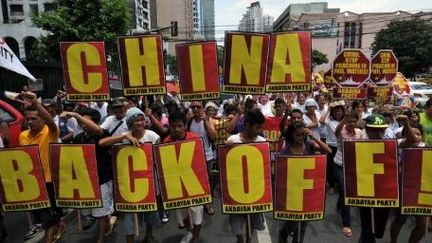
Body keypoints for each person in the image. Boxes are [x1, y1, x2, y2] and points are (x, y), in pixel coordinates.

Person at [99, 107, 161, 243]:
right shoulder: (124, 136)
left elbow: (160, 158)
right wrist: (123, 136)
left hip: (148, 183)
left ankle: (149, 234)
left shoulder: (152, 136)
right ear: (130, 123)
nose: (139, 123)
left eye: (141, 119)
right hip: (129, 186)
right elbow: (101, 143)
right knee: (129, 218)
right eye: (136, 120)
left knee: (150, 213)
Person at [62, 108, 115, 243]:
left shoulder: (103, 135)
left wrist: (75, 115)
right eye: (80, 121)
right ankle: (109, 221)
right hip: (85, 181)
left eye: (85, 121)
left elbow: (97, 130)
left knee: (101, 213)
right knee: (92, 213)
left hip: (102, 180)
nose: (82, 124)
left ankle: (101, 238)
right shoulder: (79, 138)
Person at [18, 91, 64, 243]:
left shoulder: (51, 132)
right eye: (28, 118)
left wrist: (36, 102)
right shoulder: (23, 136)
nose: (30, 121)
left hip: (50, 182)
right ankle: (61, 224)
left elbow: (51, 122)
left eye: (34, 118)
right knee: (45, 217)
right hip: (33, 184)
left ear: (42, 120)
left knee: (48, 220)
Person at [278, 121, 331, 243]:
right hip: (292, 190)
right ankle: (283, 233)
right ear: (291, 135)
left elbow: (328, 151)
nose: (301, 138)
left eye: (303, 135)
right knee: (293, 221)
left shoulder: (309, 144)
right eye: (298, 135)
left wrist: (313, 136)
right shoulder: (286, 150)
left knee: (303, 223)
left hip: (308, 189)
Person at [225, 109, 267, 243]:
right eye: (257, 127)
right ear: (247, 125)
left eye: (261, 127)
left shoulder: (262, 141)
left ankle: (248, 240)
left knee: (253, 220)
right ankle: (240, 239)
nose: (260, 130)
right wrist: (226, 150)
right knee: (236, 222)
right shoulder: (232, 140)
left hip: (255, 190)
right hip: (236, 190)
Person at [164, 111, 202, 243]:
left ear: (185, 126)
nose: (176, 129)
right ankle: (189, 232)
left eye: (180, 126)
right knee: (183, 213)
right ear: (169, 126)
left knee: (197, 212)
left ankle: (196, 237)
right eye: (173, 126)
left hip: (194, 183)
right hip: (177, 184)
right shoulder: (166, 142)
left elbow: (200, 163)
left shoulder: (195, 138)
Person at [390, 115, 427, 243]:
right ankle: (393, 241)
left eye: (418, 134)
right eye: (413, 133)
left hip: (422, 189)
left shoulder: (427, 147)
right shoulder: (401, 145)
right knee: (400, 219)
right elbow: (410, 141)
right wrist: (407, 123)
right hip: (404, 187)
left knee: (422, 226)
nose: (416, 136)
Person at [358, 114, 391, 243]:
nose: (378, 133)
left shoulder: (390, 143)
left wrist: (406, 125)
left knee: (377, 230)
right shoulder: (358, 144)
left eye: (381, 130)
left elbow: (409, 142)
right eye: (374, 129)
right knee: (368, 229)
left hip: (384, 191)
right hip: (365, 190)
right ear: (367, 129)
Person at [334, 112, 367, 237]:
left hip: (353, 166)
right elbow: (337, 131)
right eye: (349, 121)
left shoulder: (360, 133)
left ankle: (339, 203)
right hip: (339, 164)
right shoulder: (341, 131)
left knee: (344, 192)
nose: (352, 124)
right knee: (345, 191)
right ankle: (346, 223)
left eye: (354, 121)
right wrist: (344, 119)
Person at [188, 101, 217, 215]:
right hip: (192, 156)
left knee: (208, 181)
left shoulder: (209, 120)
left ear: (202, 108)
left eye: (198, 107)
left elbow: (213, 136)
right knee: (195, 180)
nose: (195, 109)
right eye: (193, 107)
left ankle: (208, 203)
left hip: (207, 155)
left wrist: (205, 120)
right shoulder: (189, 120)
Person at [319, 100, 346, 194]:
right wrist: (328, 109)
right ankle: (331, 185)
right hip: (332, 147)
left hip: (343, 147)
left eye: (339, 111)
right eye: (335, 111)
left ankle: (341, 184)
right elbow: (321, 120)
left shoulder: (345, 121)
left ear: (342, 111)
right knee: (330, 166)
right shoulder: (329, 121)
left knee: (342, 166)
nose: (337, 112)